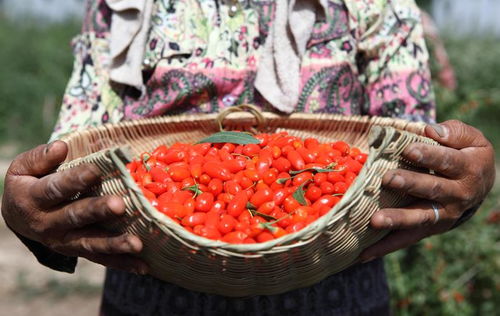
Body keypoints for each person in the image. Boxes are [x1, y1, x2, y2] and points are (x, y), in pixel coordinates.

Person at [1, 0, 495, 315]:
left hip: (340, 300)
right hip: (149, 298)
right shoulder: (125, 5)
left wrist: (461, 186)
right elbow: (73, 157)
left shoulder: (377, 5)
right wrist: (34, 215)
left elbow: (416, 156)